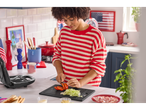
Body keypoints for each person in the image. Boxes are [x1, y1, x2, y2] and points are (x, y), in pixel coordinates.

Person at [52, 6, 107, 88]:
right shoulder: (64, 32)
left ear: (80, 14)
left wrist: (80, 83)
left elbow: (98, 66)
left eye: (71, 19)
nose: (68, 23)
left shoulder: (95, 35)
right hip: (67, 86)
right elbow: (57, 55)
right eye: (65, 20)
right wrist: (60, 72)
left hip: (88, 87)